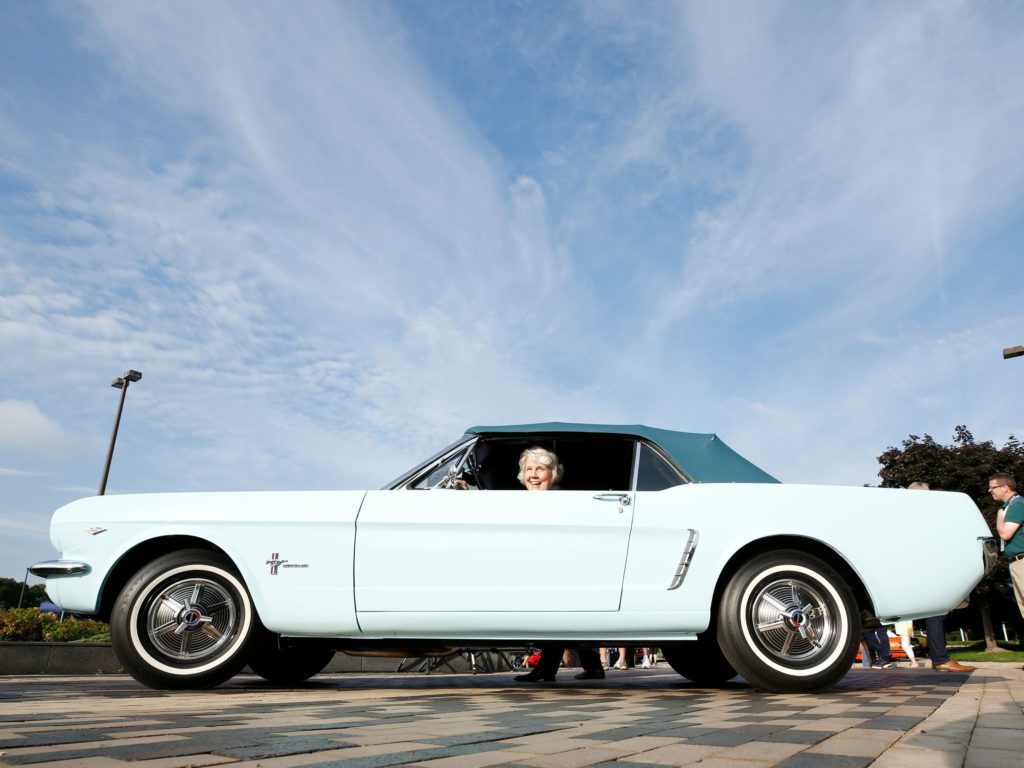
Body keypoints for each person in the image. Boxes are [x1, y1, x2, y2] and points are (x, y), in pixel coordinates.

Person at [513, 447, 605, 683]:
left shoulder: (561, 501)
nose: (533, 474)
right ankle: (587, 667)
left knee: (559, 618)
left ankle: (548, 669)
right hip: (543, 567)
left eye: (540, 469)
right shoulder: (521, 502)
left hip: (562, 567)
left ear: (553, 474)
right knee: (562, 621)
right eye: (529, 469)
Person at [909, 481, 975, 672]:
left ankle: (938, 657)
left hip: (927, 567)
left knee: (941, 612)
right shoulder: (922, 514)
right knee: (938, 612)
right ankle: (940, 659)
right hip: (931, 567)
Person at [994, 473, 1024, 671]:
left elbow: (1005, 533)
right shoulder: (1009, 507)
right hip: (1016, 562)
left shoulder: (1016, 505)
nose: (990, 491)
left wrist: (998, 516)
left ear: (1006, 487)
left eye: (993, 487)